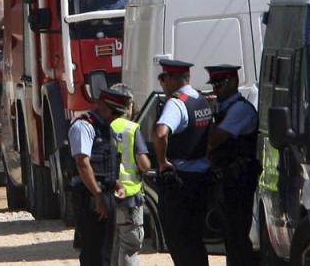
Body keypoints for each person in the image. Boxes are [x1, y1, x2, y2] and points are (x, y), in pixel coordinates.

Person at [153, 59, 213, 266]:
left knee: (179, 242)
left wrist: (162, 163)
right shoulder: (200, 99)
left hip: (181, 184)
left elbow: (161, 133)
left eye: (162, 78)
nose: (162, 84)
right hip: (202, 180)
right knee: (195, 241)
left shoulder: (177, 102)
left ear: (170, 79)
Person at [205, 65, 261, 266]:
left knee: (237, 235)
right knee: (230, 235)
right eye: (214, 85)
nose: (215, 90)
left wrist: (208, 116)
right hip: (227, 181)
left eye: (220, 84)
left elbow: (214, 140)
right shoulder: (226, 108)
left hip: (239, 181)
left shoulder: (239, 109)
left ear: (234, 82)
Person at [68, 89, 121, 266]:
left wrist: (115, 183)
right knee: (93, 252)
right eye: (114, 112)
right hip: (89, 195)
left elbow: (106, 161)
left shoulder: (105, 128)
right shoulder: (83, 126)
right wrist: (98, 195)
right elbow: (82, 163)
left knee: (104, 250)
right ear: (101, 105)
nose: (116, 117)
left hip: (103, 193)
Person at [108, 84, 151, 266]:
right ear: (128, 104)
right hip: (130, 197)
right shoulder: (132, 128)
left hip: (108, 195)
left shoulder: (105, 126)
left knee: (115, 244)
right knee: (130, 245)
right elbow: (143, 163)